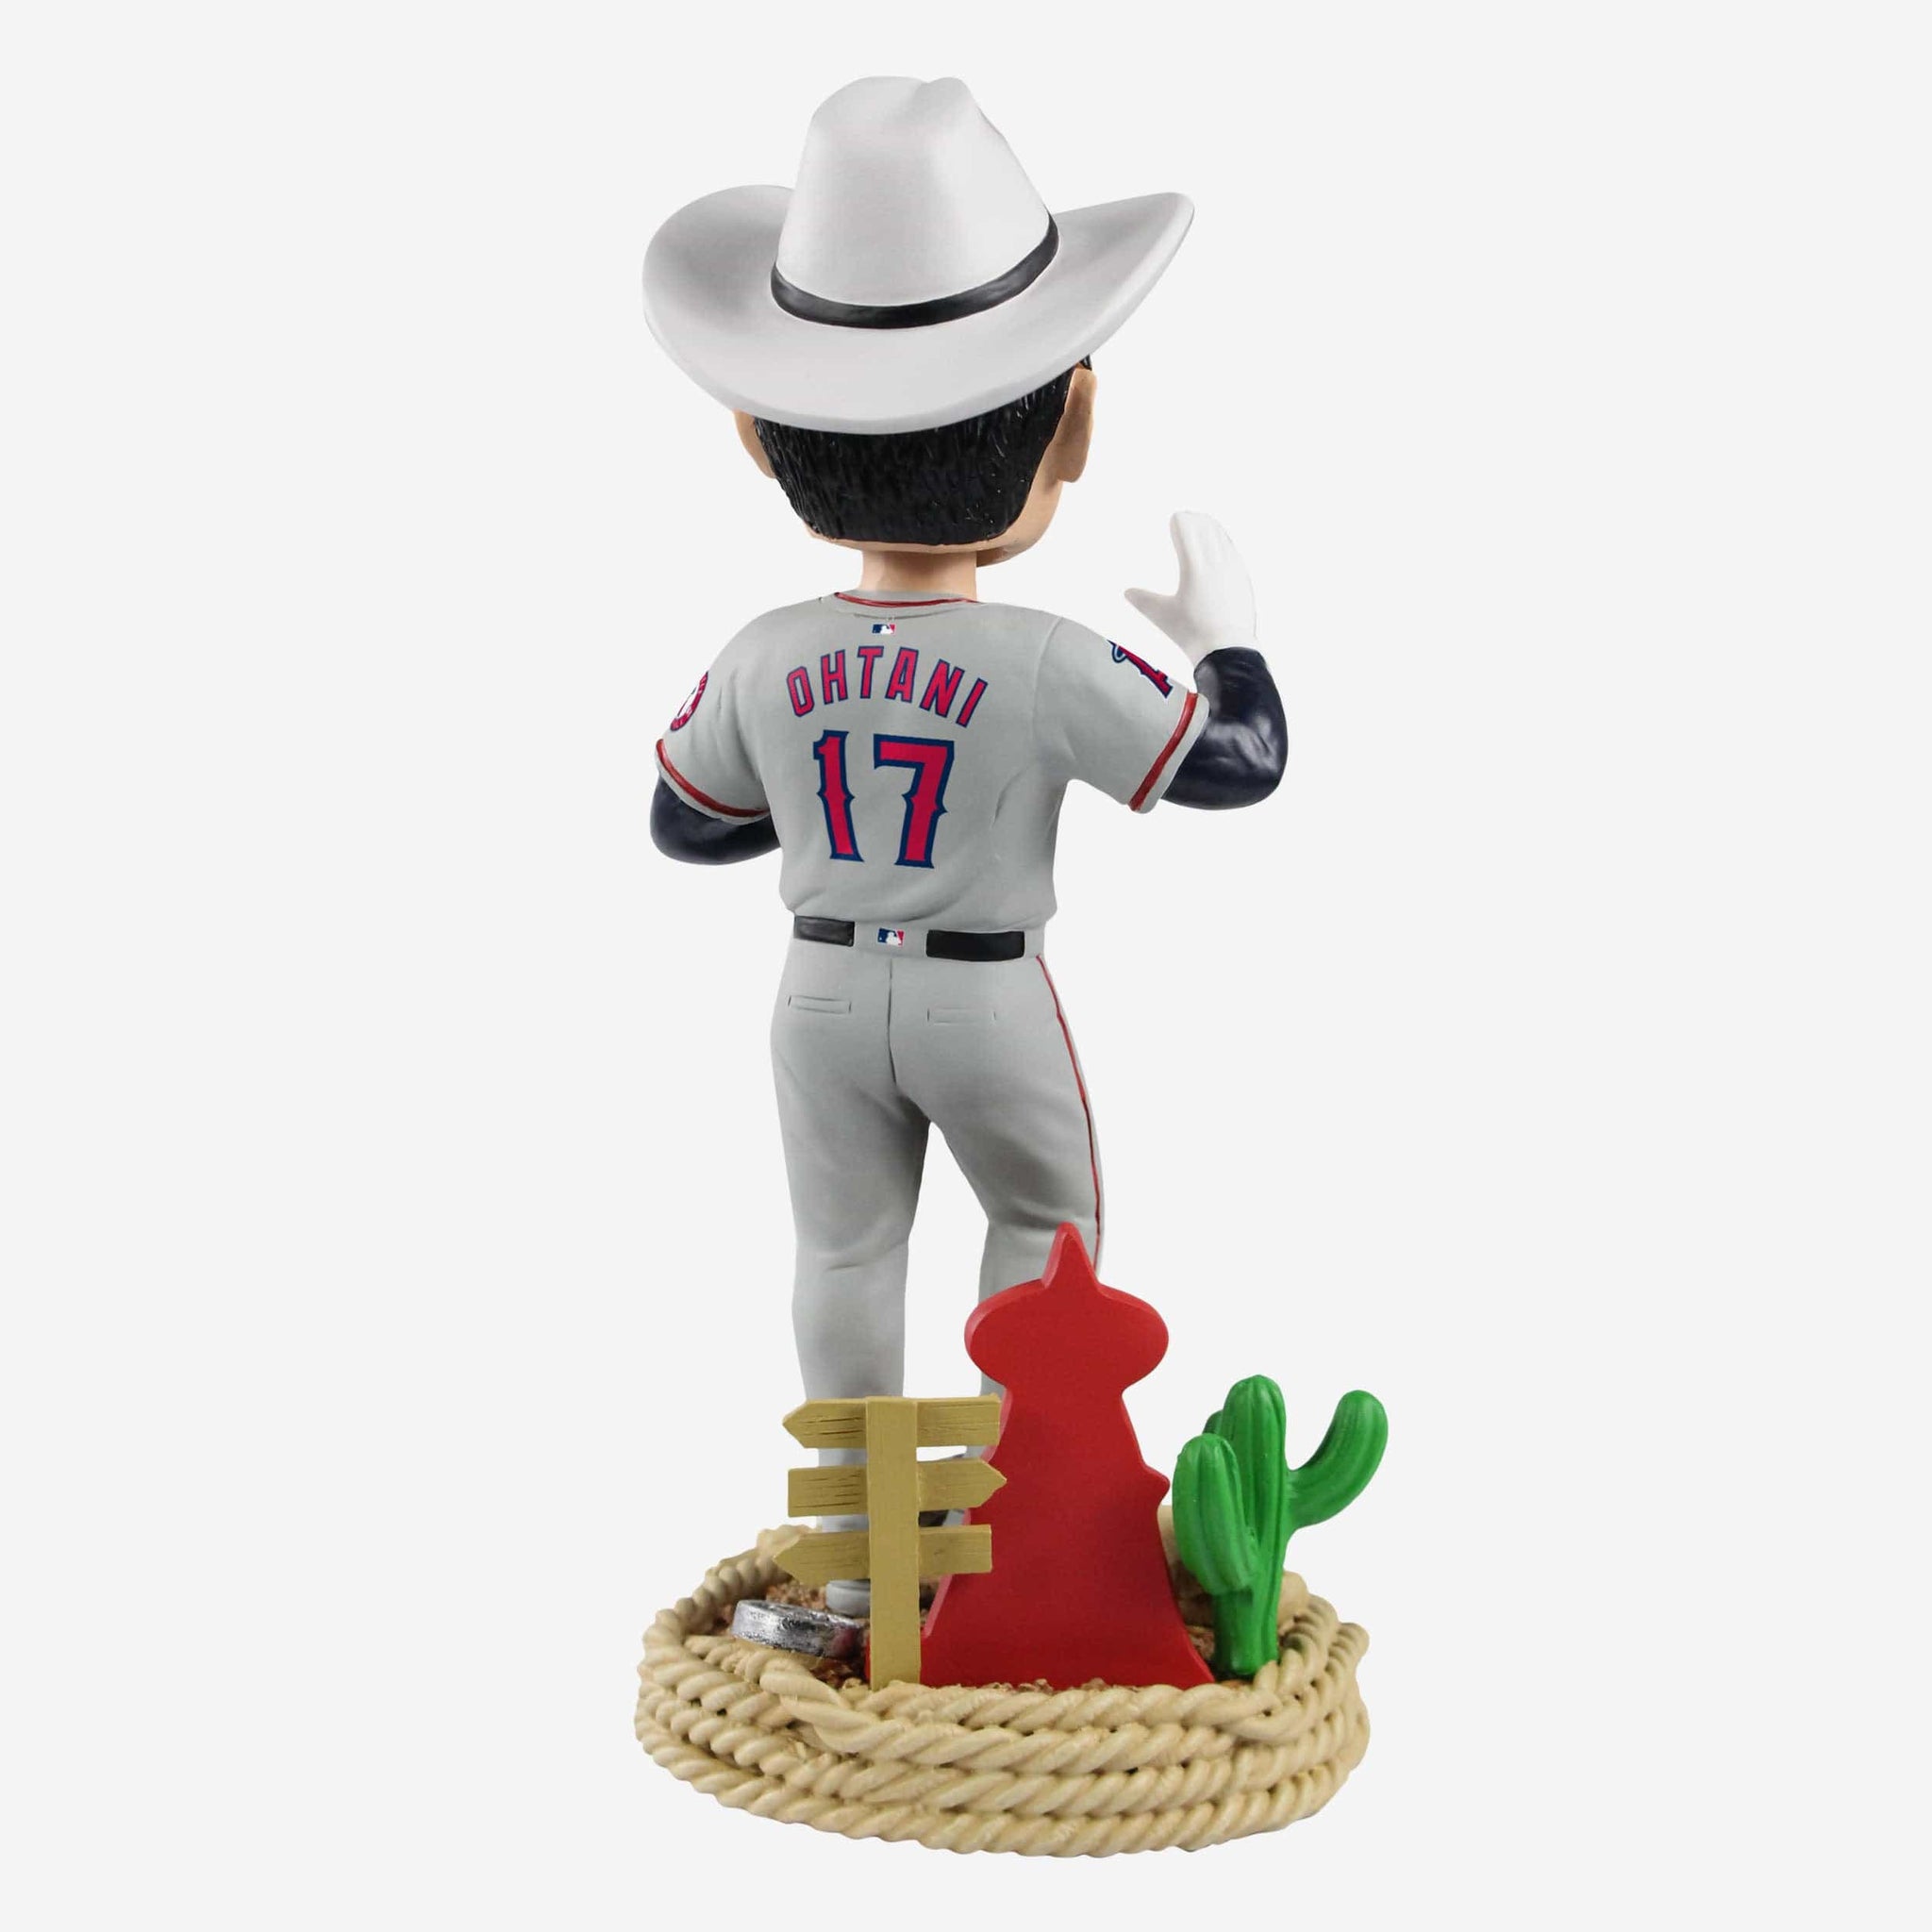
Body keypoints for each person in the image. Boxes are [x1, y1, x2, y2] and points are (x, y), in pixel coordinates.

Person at [642, 76, 1285, 1607]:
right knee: (1046, 1233)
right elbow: (1237, 766)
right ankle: (1008, 1545)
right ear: (1074, 427)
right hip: (980, 991)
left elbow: (682, 820)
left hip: (815, 989)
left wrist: (826, 808)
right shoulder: (1047, 658)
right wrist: (1229, 645)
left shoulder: (762, 650)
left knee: (843, 1256)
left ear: (759, 441)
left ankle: (860, 1562)